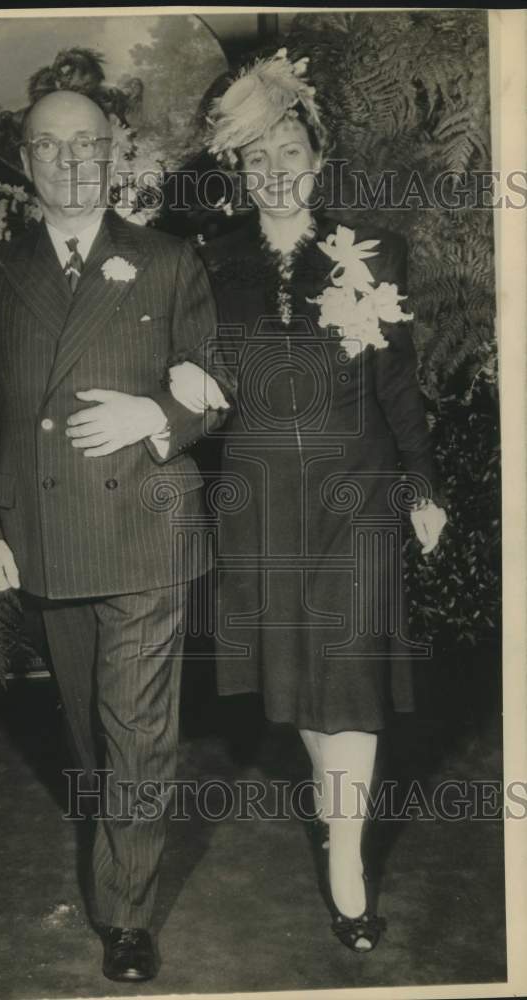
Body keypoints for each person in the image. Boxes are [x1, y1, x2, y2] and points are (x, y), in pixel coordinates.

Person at [168, 49, 447, 952]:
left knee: (350, 676)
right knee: (300, 681)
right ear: (238, 170)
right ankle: (338, 811)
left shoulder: (374, 251)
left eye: (290, 151)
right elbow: (202, 372)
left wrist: (422, 485)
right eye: (257, 158)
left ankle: (347, 863)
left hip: (357, 490)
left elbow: (398, 383)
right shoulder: (210, 262)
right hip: (260, 498)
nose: (276, 171)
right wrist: (184, 379)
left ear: (318, 159)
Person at [0, 80, 228, 982]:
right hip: (44, 535)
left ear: (112, 154)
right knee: (92, 731)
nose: (69, 161)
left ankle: (127, 915)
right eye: (49, 145)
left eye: (85, 144)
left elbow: (214, 385)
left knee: (137, 726)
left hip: (146, 523)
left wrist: (155, 416)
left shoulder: (168, 260)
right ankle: (117, 833)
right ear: (24, 161)